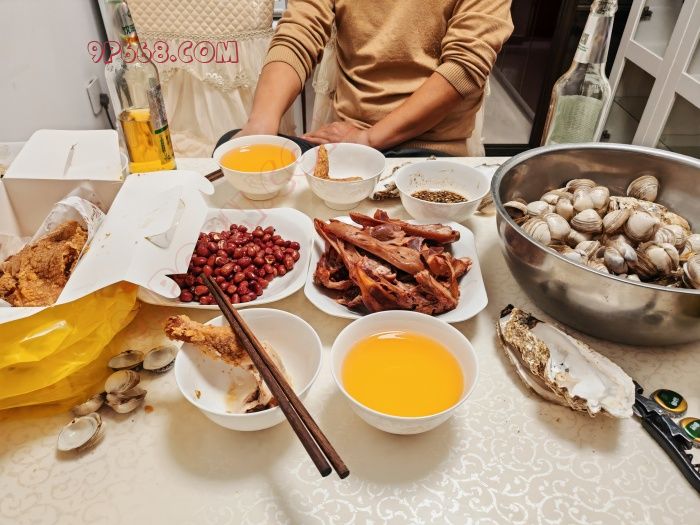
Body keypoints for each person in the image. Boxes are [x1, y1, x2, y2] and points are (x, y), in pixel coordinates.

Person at [217, 0, 513, 157]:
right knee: (230, 146)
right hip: (349, 140)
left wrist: (369, 139)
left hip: (430, 148)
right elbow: (299, 33)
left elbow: (465, 66)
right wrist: (260, 125)